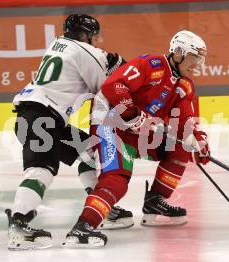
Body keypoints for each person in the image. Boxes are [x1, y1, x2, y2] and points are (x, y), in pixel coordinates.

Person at [62, 30, 210, 248]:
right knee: (117, 180)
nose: (197, 64)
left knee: (181, 148)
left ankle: (154, 203)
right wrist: (131, 114)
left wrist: (199, 142)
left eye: (200, 59)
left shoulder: (184, 86)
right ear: (178, 53)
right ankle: (82, 228)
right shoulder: (151, 64)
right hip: (111, 126)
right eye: (194, 57)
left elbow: (186, 122)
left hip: (140, 131)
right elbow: (114, 86)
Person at [5, 14, 129, 251]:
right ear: (84, 35)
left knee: (88, 151)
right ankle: (18, 225)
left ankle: (100, 207)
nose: (96, 40)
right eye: (93, 36)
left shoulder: (57, 44)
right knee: (41, 171)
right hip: (41, 117)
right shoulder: (85, 51)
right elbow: (108, 88)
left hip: (37, 116)